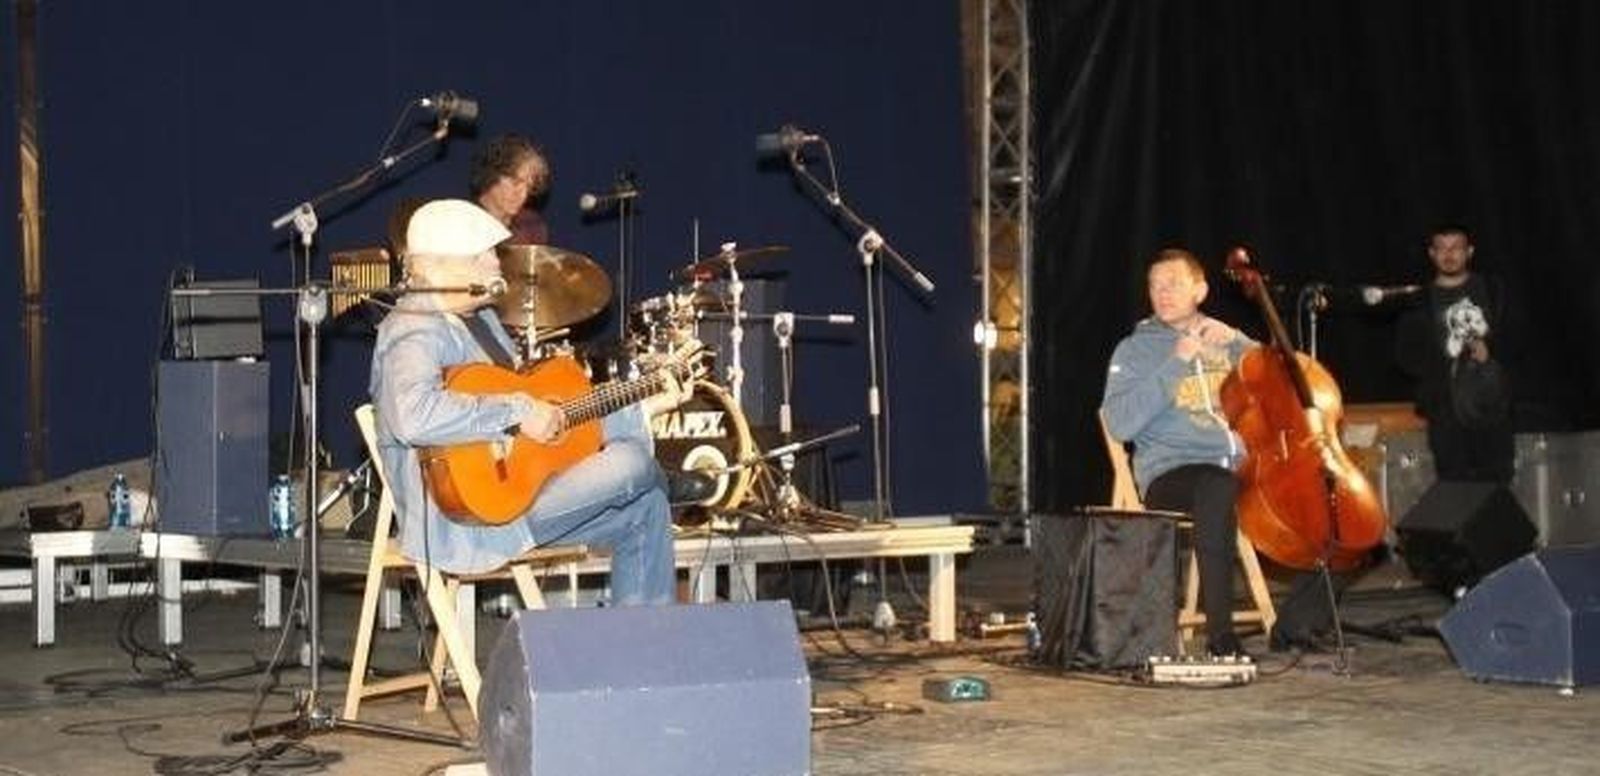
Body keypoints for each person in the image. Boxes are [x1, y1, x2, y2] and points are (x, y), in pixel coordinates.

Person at [369, 198, 680, 605]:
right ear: (436, 266)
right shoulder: (412, 328)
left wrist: (643, 406)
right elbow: (413, 416)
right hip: (465, 523)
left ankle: (643, 659)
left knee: (647, 507)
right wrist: (516, 411)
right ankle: (666, 477)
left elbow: (538, 412)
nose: (496, 264)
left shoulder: (483, 322)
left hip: (519, 497)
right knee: (634, 465)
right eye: (481, 256)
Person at [1101, 248, 1339, 655]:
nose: (1162, 293)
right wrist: (1176, 363)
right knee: (1216, 483)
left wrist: (1243, 344)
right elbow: (1119, 422)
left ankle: (1296, 624)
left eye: (1173, 284)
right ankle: (1221, 637)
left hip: (1242, 470)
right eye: (1155, 286)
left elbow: (1289, 383)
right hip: (1172, 473)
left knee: (1329, 498)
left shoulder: (1229, 344)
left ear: (1200, 290)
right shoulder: (1134, 350)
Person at [1395, 224, 1515, 484]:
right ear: (1432, 253)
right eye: (1442, 248)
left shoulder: (1493, 290)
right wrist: (1443, 369)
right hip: (1445, 410)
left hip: (1491, 407)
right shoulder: (1418, 300)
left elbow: (1516, 340)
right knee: (1454, 489)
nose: (1449, 255)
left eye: (1456, 248)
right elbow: (1406, 355)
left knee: (1497, 487)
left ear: (1469, 251)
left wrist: (1489, 355)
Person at [469, 134, 551, 245]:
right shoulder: (463, 220)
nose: (523, 195)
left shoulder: (531, 227)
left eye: (529, 188)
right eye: (515, 183)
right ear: (492, 174)